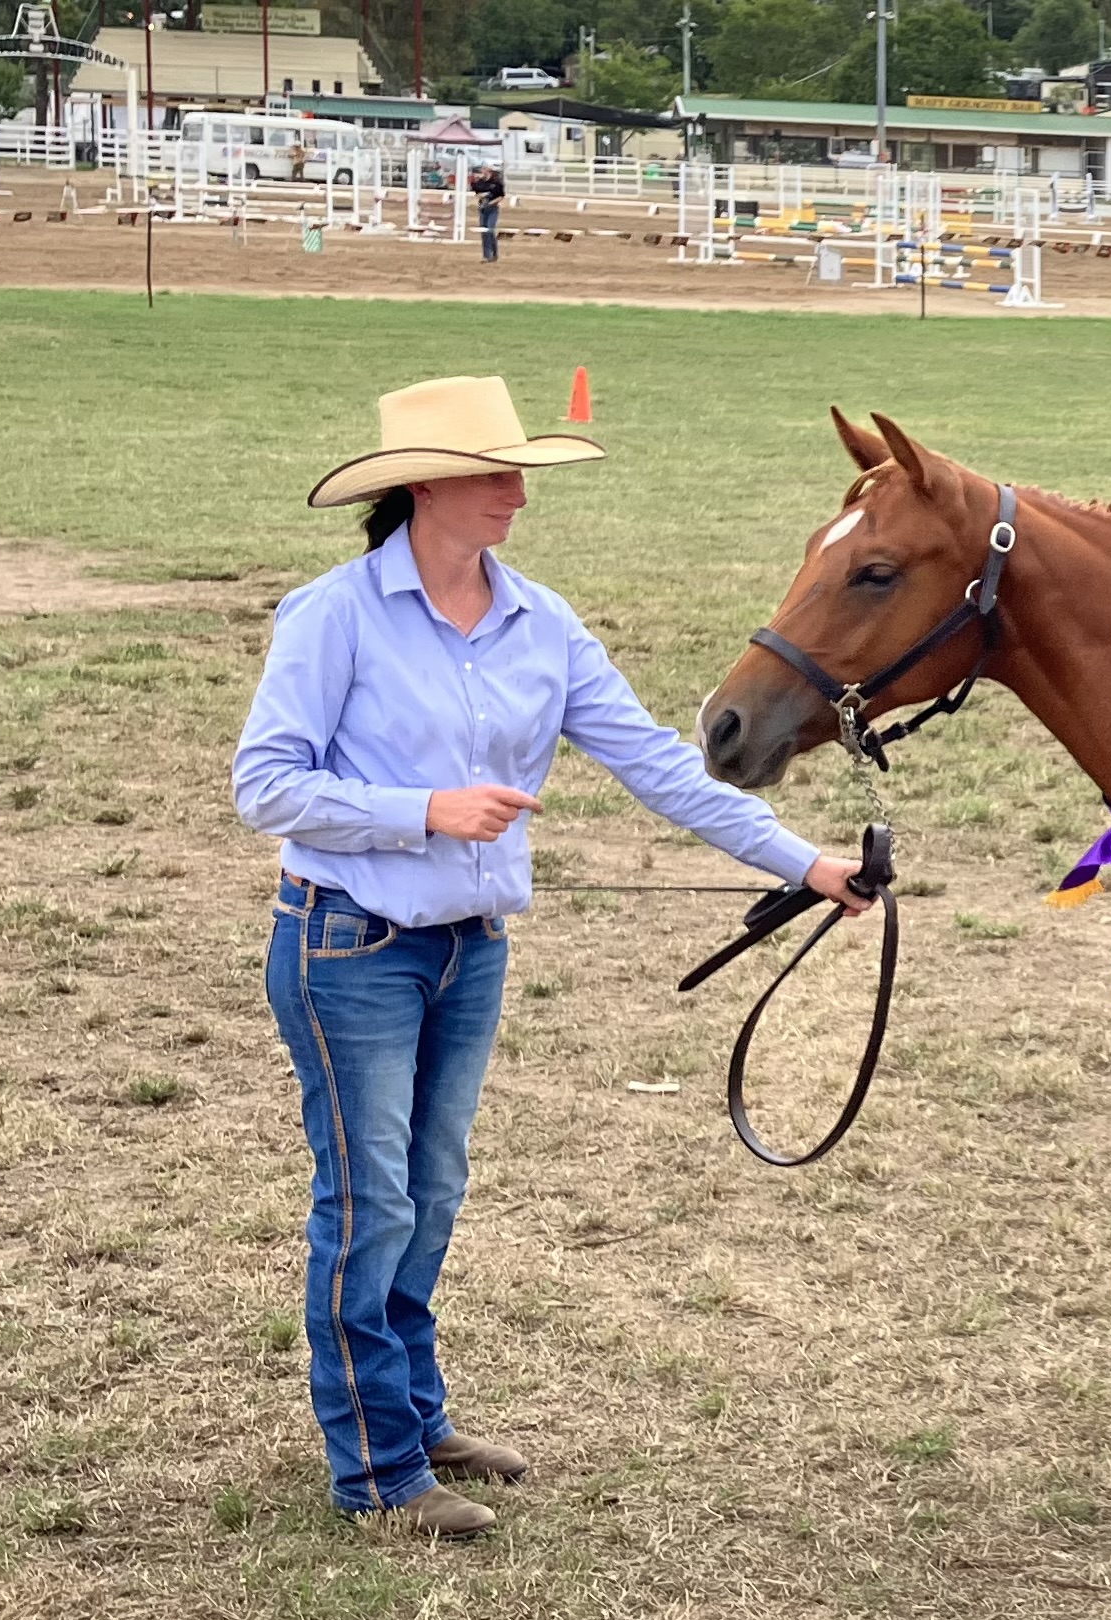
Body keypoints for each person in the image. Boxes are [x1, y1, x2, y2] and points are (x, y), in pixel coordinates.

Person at [232, 376, 866, 1539]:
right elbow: (265, 785)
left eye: (519, 474)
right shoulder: (334, 616)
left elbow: (660, 765)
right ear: (423, 486)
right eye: (493, 474)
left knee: (429, 1193)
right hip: (348, 944)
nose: (517, 495)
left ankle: (414, 1418)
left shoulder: (539, 621)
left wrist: (805, 860)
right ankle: (375, 1470)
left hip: (468, 951)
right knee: (370, 1201)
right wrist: (424, 810)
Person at [470, 161, 506, 264]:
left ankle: (494, 253)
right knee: (484, 232)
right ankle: (486, 256)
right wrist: (481, 196)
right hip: (482, 209)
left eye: (484, 169)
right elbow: (476, 193)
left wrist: (490, 203)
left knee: (490, 231)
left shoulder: (497, 183)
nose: (482, 171)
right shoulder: (480, 182)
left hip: (492, 209)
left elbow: (501, 196)